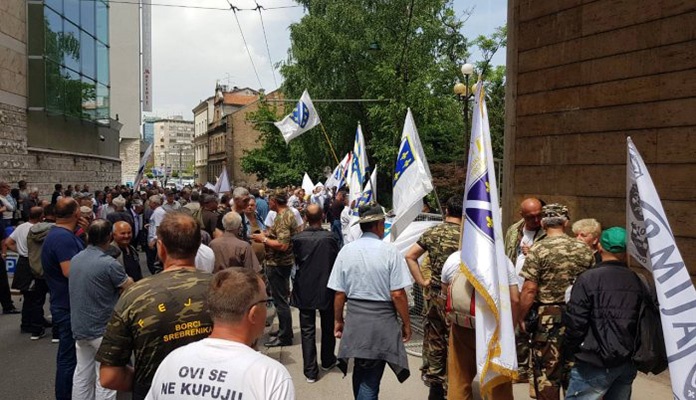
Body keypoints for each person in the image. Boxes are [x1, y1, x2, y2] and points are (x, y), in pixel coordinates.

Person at [97, 212, 214, 400]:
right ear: (198, 245)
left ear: (161, 248)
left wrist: (152, 384)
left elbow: (110, 376)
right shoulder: (224, 288)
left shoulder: (134, 295)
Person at [146, 268, 295, 400]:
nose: (267, 305)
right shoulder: (270, 376)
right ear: (253, 314)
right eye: (265, 301)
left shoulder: (171, 361)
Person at [327, 203, 412, 399]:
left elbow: (339, 293)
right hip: (380, 323)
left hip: (356, 321)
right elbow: (398, 294)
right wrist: (406, 323)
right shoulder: (390, 252)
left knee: (362, 370)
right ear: (379, 224)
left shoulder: (346, 251)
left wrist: (338, 320)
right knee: (370, 378)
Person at [518, 204, 595, 400]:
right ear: (566, 222)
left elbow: (529, 289)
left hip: (547, 320)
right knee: (574, 370)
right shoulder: (584, 249)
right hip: (579, 318)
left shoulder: (538, 249)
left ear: (543, 223)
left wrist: (520, 317)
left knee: (547, 373)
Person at [563, 227, 644, 400]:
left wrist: (571, 349)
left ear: (599, 246)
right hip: (626, 360)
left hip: (594, 360)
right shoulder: (638, 280)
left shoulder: (588, 278)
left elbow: (576, 321)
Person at [404, 194, 463, 399]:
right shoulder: (469, 236)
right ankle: (455, 385)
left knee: (435, 339)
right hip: (460, 298)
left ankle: (436, 386)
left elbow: (410, 256)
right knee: (458, 341)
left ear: (446, 211)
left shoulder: (433, 232)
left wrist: (422, 281)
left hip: (436, 294)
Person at [70, 219, 133, 400]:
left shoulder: (76, 259)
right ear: (109, 237)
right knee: (105, 377)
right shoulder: (109, 264)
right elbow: (130, 287)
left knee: (82, 374)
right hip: (103, 329)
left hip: (80, 327)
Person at [41, 197, 86, 400]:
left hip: (66, 303)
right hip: (67, 304)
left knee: (72, 356)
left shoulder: (64, 235)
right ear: (76, 213)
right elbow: (69, 271)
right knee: (69, 358)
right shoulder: (62, 238)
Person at [291, 204, 339, 383]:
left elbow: (296, 261)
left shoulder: (298, 238)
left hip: (305, 287)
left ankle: (310, 370)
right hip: (326, 286)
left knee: (307, 330)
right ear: (323, 216)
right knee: (327, 326)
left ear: (305, 218)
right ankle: (327, 359)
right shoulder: (330, 238)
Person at [503, 197, 545, 384]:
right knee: (517, 328)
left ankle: (536, 369)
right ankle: (520, 368)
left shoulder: (548, 231)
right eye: (531, 217)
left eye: (539, 215)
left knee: (534, 327)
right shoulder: (514, 231)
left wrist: (534, 252)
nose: (536, 220)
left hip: (537, 288)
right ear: (522, 215)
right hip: (515, 286)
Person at [252, 190, 299, 348]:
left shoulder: (284, 217)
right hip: (278, 263)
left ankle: (285, 336)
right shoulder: (283, 215)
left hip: (279, 264)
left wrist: (263, 239)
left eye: (269, 201)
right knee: (280, 299)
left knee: (280, 301)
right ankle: (284, 330)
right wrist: (268, 234)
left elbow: (283, 245)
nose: (267, 203)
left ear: (274, 201)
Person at [6, 206, 42, 333]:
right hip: (32, 262)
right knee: (33, 295)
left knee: (28, 295)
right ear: (40, 217)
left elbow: (8, 242)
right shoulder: (37, 229)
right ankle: (27, 323)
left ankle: (31, 321)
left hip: (22, 261)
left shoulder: (21, 227)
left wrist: (19, 251)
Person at [245, 197, 267, 265]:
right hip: (250, 259)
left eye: (252, 205)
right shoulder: (241, 220)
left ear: (255, 206)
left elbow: (264, 230)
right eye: (247, 205)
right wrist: (255, 236)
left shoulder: (259, 218)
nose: (249, 207)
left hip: (262, 259)